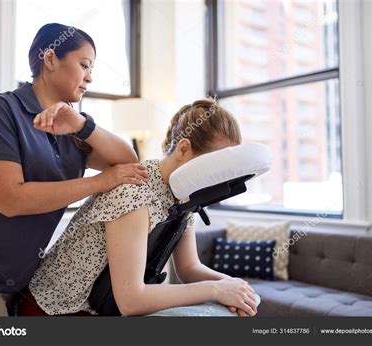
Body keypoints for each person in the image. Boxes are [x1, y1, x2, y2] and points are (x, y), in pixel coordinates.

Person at [0, 23, 148, 316]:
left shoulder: (72, 125)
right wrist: (99, 183)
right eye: (84, 65)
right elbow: (11, 199)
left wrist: (83, 125)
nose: (90, 77)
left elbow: (126, 160)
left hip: (20, 280)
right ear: (49, 59)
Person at [18, 99, 258, 317]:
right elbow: (131, 301)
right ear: (183, 150)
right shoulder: (134, 192)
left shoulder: (183, 197)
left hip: (98, 308)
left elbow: (189, 268)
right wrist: (216, 289)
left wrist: (236, 288)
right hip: (52, 310)